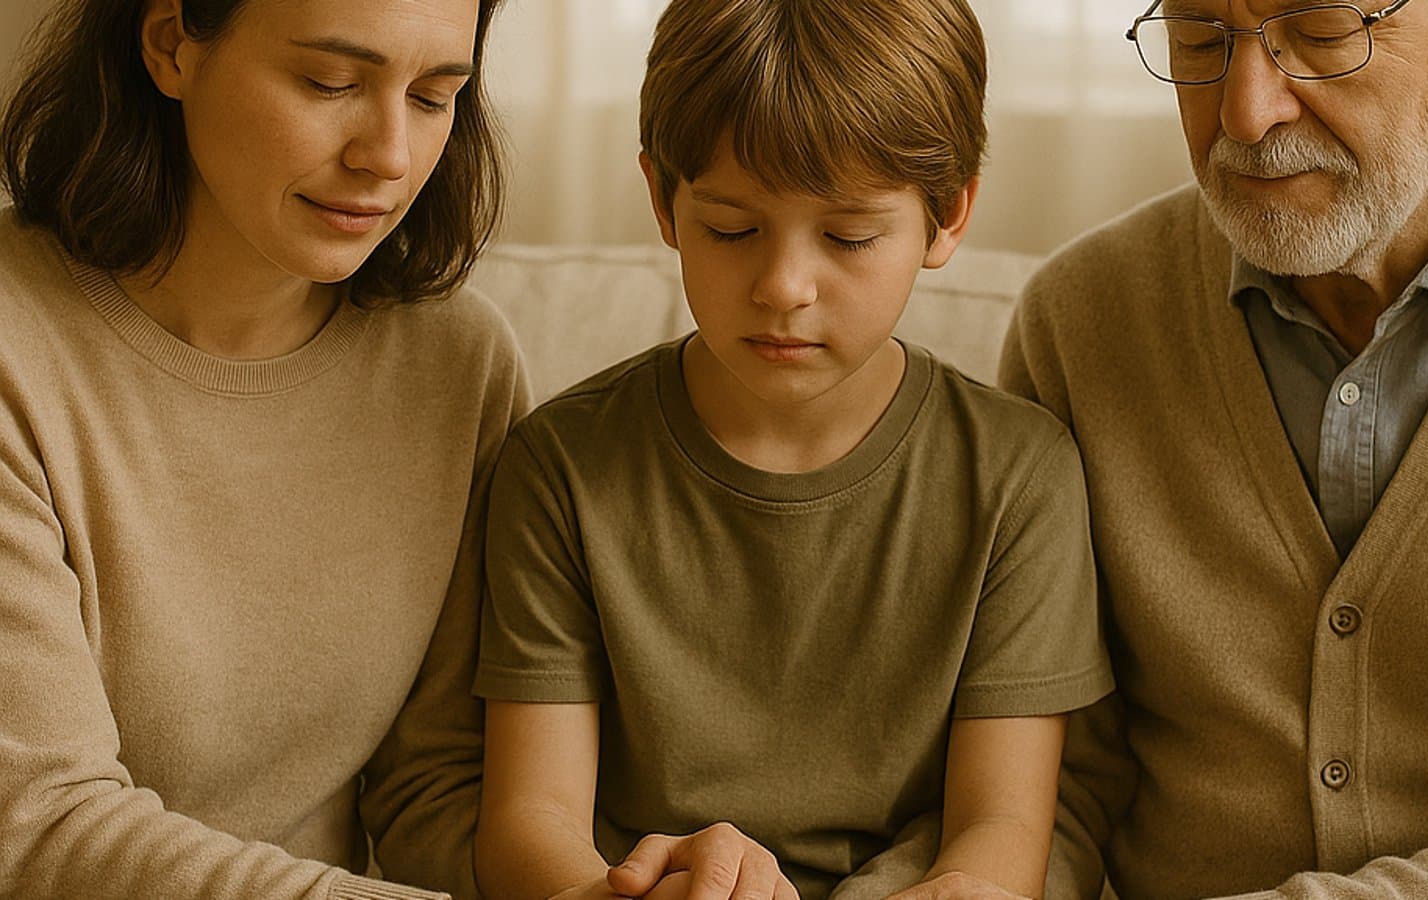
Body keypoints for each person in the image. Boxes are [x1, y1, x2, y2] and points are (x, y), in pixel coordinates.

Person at [470, 1, 1113, 899]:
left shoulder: (1018, 477)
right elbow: (527, 822)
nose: (782, 287)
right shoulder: (561, 468)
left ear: (947, 215)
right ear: (663, 200)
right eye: (732, 229)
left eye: (849, 237)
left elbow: (1002, 828)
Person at [992, 0, 1428, 896]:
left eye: (1322, 30)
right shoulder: (1079, 325)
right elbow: (1046, 790)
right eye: (1201, 37)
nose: (1246, 112)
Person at [0, 0, 528, 896]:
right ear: (171, 44)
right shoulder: (20, 346)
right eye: (330, 82)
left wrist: (601, 883)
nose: (390, 157)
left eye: (436, 96)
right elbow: (39, 826)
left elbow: (430, 791)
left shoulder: (457, 363)